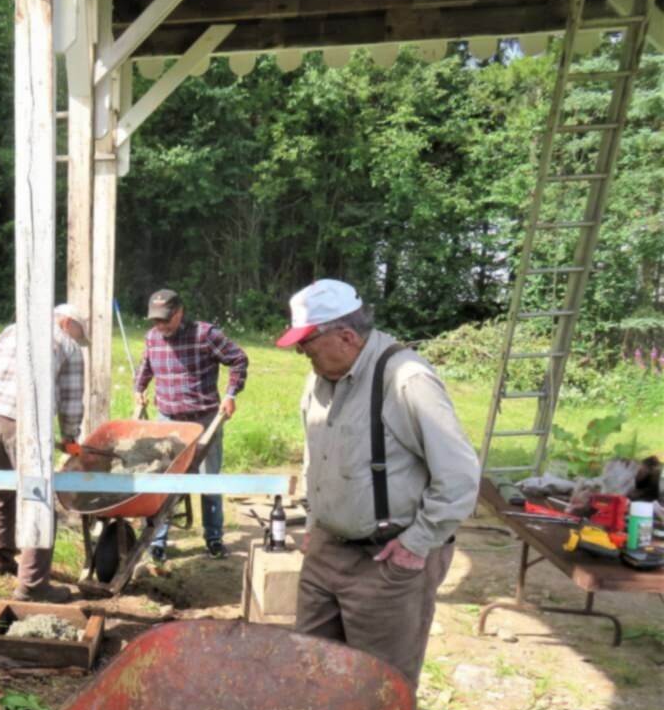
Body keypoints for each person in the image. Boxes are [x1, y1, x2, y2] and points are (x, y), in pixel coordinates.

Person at [277, 279, 480, 687]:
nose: (302, 353)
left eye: (307, 343)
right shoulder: (321, 377)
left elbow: (459, 476)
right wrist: (315, 520)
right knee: (309, 672)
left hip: (386, 560)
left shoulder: (406, 379)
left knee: (379, 687)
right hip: (326, 551)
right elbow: (318, 454)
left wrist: (417, 543)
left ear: (346, 336)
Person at [0, 304, 89, 602]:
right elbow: (72, 398)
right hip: (23, 422)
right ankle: (33, 585)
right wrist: (71, 438)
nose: (78, 339)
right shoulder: (68, 344)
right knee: (39, 498)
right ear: (67, 322)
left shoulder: (13, 330)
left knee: (2, 490)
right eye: (78, 332)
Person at [133, 289, 249, 561]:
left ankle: (214, 538)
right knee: (166, 482)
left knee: (209, 481)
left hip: (204, 420)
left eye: (165, 320)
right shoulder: (152, 338)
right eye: (156, 321)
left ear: (179, 312)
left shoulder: (205, 335)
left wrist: (231, 394)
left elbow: (239, 359)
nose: (161, 326)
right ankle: (158, 541)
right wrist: (139, 388)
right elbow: (145, 366)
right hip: (168, 420)